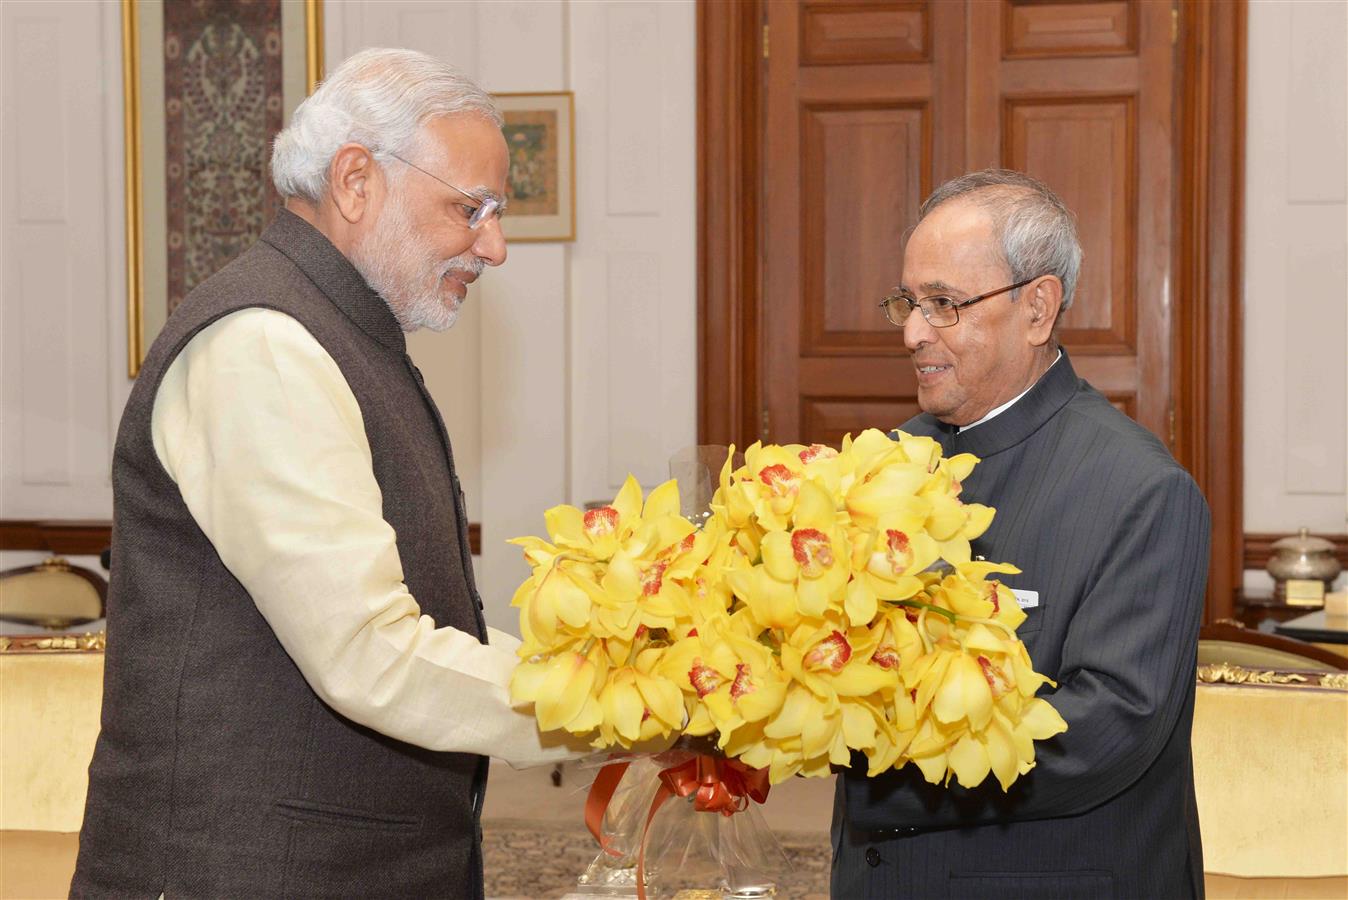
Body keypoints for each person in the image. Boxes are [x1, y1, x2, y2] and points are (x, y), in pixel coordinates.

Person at [73, 49, 587, 898]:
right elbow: (368, 651)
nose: (493, 246)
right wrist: (613, 702)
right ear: (356, 180)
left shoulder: (337, 333)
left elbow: (409, 623)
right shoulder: (263, 345)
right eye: (472, 208)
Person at [831, 170, 1211, 898]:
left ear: (1038, 309)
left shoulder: (1141, 490)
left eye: (943, 304)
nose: (912, 332)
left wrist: (867, 765)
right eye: (909, 303)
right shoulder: (883, 463)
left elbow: (1104, 733)